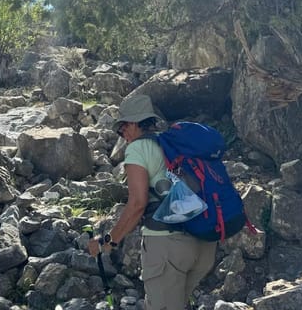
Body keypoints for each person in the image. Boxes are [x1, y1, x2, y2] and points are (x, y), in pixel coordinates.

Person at [87, 94, 217, 310]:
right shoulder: (172, 145)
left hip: (168, 246)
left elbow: (138, 203)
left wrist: (108, 242)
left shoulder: (138, 148)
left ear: (134, 123)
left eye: (123, 128)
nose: (122, 134)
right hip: (204, 243)